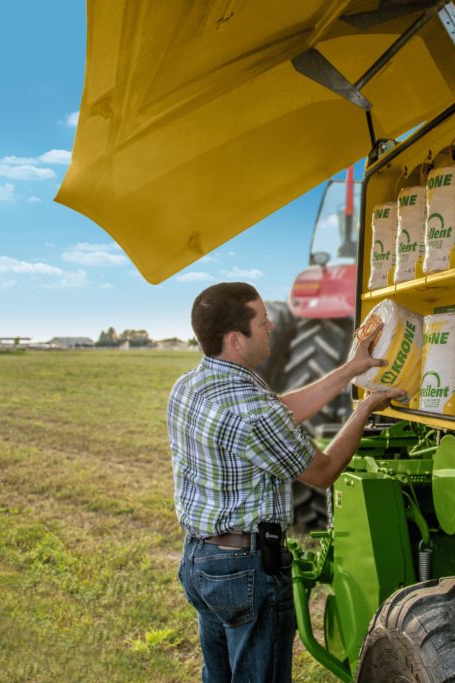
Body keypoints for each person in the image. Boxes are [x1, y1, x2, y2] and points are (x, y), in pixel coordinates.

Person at [167, 282, 404, 682]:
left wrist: (351, 370)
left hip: (200, 563)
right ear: (235, 340)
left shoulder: (191, 385)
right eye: (262, 322)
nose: (271, 326)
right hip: (246, 571)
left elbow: (282, 410)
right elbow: (324, 471)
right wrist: (365, 407)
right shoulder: (252, 409)